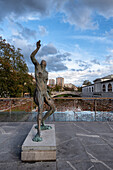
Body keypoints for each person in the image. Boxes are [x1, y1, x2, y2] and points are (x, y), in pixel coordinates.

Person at [30, 40, 55, 142]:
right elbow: (32, 57)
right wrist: (37, 48)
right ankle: (38, 133)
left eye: (45, 62)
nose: (44, 62)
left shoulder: (46, 72)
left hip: (45, 92)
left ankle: (43, 121)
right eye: (42, 62)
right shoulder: (37, 67)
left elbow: (45, 83)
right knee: (40, 110)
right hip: (39, 92)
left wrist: (48, 94)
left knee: (53, 108)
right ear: (40, 63)